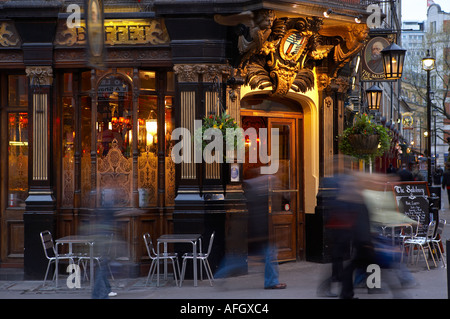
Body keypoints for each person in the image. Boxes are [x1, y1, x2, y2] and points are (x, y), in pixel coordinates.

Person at [245, 168, 286, 290]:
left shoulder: (254, 190)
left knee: (266, 255)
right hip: (262, 231)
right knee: (270, 254)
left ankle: (272, 281)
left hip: (259, 231)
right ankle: (271, 282)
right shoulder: (260, 191)